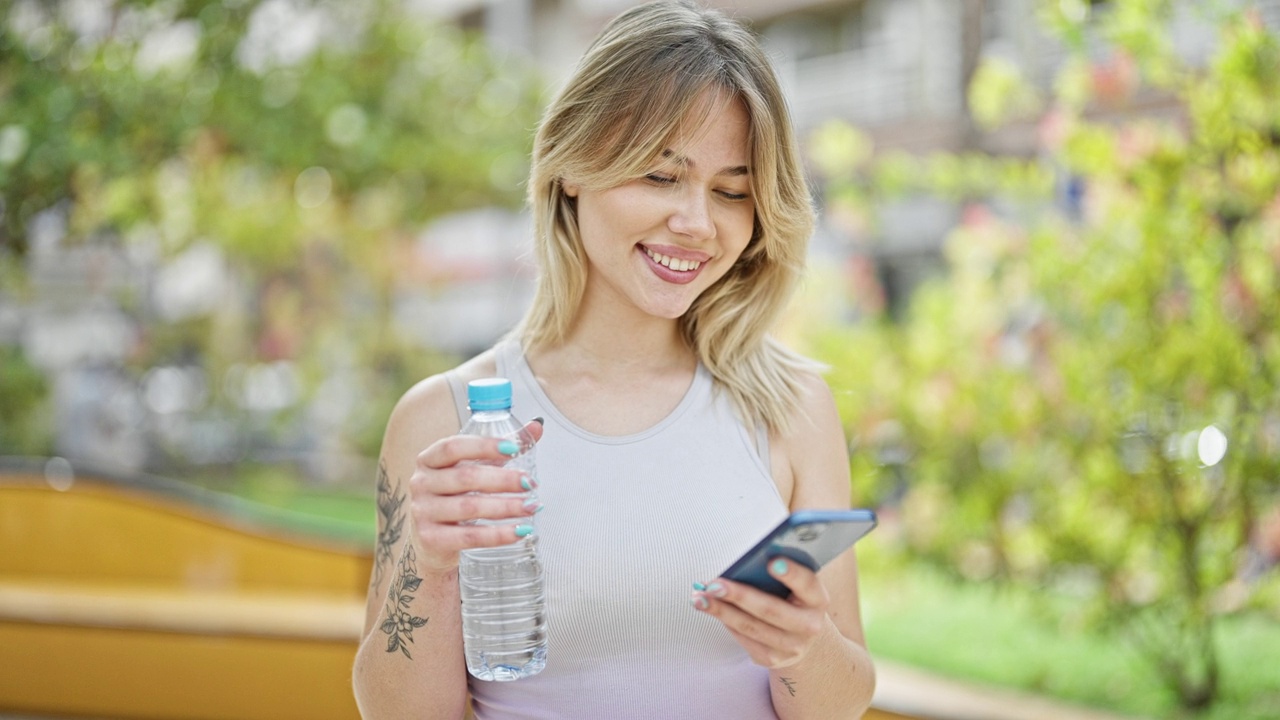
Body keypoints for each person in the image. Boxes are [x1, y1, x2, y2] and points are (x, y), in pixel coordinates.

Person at [351, 1, 877, 717]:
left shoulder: (792, 407)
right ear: (573, 166)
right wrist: (435, 564)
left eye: (731, 192)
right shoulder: (443, 420)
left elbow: (841, 704)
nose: (697, 223)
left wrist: (802, 643)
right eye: (661, 177)